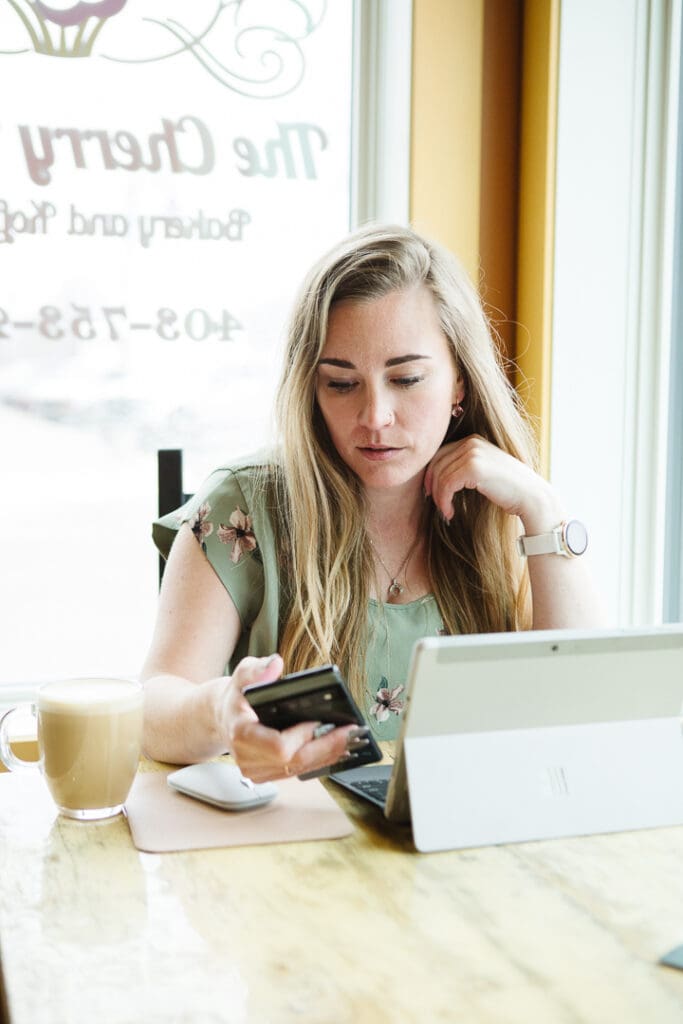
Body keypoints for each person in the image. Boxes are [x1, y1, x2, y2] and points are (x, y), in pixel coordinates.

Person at [141, 223, 604, 779]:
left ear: (460, 382)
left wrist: (543, 510)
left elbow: (581, 707)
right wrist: (223, 709)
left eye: (406, 379)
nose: (375, 418)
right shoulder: (244, 507)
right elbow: (152, 707)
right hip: (289, 848)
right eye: (341, 383)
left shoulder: (502, 513)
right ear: (311, 389)